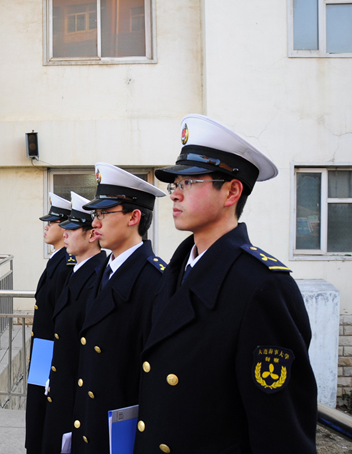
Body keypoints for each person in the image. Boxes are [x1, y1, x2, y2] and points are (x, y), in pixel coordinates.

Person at [135, 114, 317, 453]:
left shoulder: (261, 287)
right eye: (175, 184)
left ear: (232, 191)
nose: (175, 195)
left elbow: (281, 433)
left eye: (189, 183)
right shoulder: (175, 273)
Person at [68, 163, 166, 453]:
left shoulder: (155, 280)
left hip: (121, 435)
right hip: (90, 423)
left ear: (134, 217)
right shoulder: (103, 270)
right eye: (95, 214)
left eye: (103, 214)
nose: (94, 223)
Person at [41, 192, 106, 454]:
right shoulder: (67, 264)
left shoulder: (78, 269)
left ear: (91, 234)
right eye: (63, 226)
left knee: (49, 431)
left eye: (70, 227)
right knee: (40, 418)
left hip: (63, 370)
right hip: (49, 357)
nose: (63, 232)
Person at [25, 193, 76, 454]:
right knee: (36, 409)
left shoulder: (67, 264)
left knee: (43, 411)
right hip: (43, 349)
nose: (46, 226)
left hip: (48, 349)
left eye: (52, 221)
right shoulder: (57, 259)